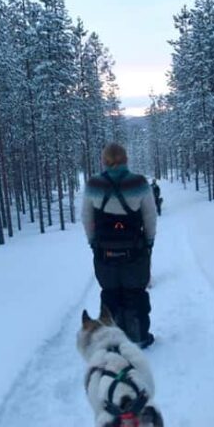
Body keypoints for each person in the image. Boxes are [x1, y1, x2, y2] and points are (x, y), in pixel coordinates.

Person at [82, 143, 157, 348]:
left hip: (104, 253)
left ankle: (112, 340)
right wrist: (149, 242)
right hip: (135, 252)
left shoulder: (94, 185)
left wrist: (93, 243)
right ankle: (139, 336)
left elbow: (86, 217)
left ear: (104, 161)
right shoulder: (139, 183)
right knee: (136, 293)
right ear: (126, 160)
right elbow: (150, 216)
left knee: (110, 295)